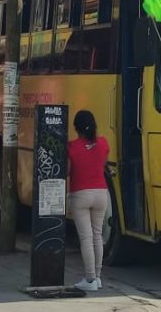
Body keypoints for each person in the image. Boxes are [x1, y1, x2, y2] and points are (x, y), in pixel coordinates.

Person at [68, 110, 110, 292]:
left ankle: (90, 278)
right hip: (101, 194)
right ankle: (98, 277)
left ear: (76, 128)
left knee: (86, 238)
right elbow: (103, 164)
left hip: (80, 194)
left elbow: (68, 171)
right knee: (97, 236)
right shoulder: (103, 143)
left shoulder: (71, 147)